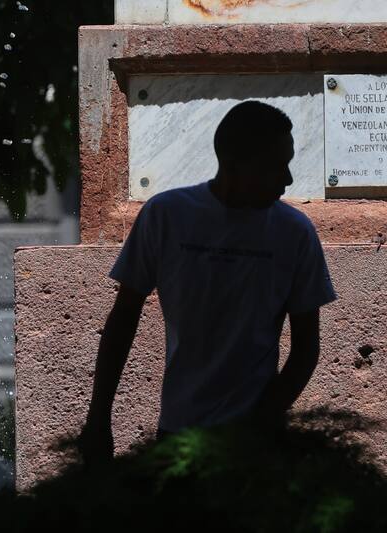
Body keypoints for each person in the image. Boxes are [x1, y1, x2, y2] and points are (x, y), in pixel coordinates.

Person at [79, 101, 337, 467]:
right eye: (275, 166)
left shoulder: (294, 233)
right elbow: (123, 319)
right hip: (178, 432)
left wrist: (258, 425)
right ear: (233, 163)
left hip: (255, 443)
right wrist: (98, 417)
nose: (288, 180)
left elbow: (306, 349)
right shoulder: (167, 216)